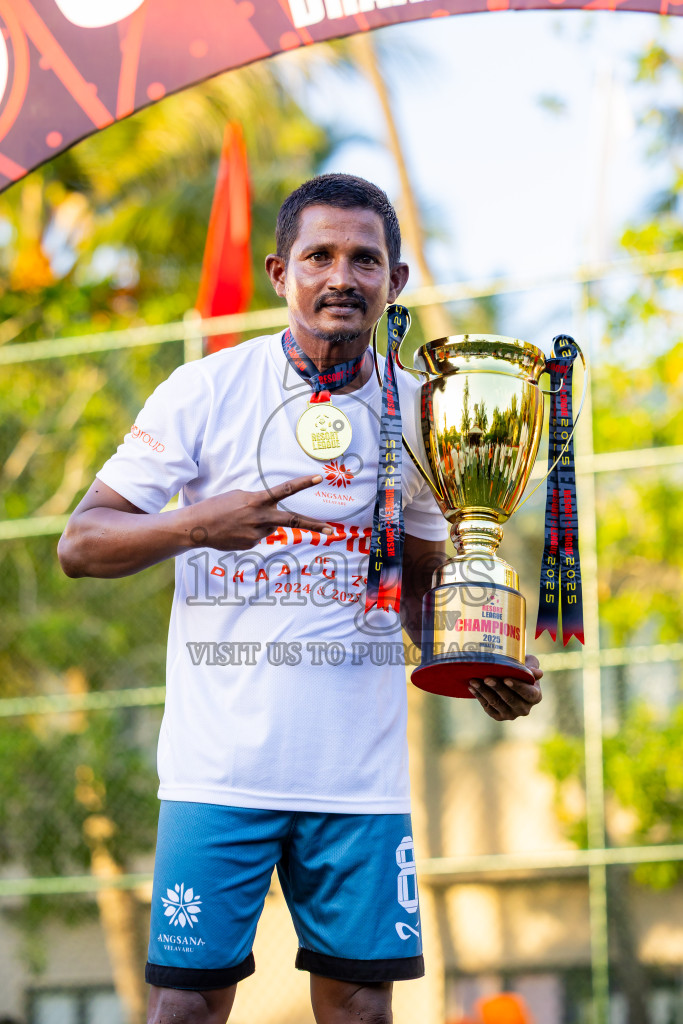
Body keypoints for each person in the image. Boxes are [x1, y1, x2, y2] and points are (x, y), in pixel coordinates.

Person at [58, 174, 543, 1024]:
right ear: (281, 271)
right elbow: (81, 543)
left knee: (359, 1009)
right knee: (184, 1007)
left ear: (395, 283)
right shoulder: (203, 392)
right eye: (320, 255)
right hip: (219, 771)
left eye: (366, 259)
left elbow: (422, 583)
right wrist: (199, 523)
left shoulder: (422, 411)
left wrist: (479, 653)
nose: (341, 276)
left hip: (356, 779)